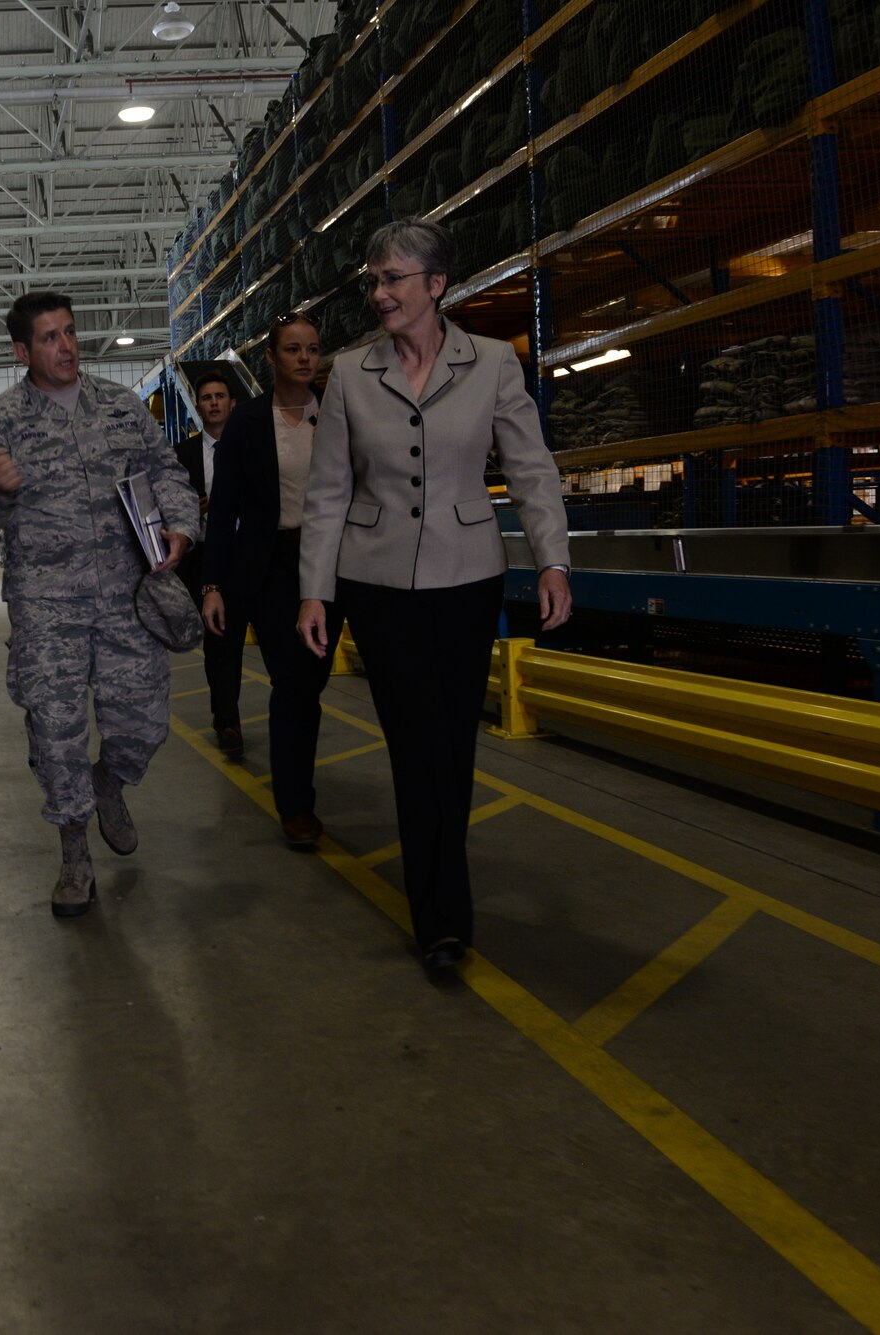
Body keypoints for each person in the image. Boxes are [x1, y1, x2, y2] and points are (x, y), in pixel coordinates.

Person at [297, 219, 572, 985]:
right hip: (377, 587)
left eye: (393, 279)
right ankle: (442, 919)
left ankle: (443, 890)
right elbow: (327, 495)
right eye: (373, 281)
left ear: (436, 285)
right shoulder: (350, 375)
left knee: (454, 748)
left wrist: (553, 560)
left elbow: (531, 468)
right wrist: (314, 592)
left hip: (467, 581)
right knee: (416, 747)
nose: (379, 293)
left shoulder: (491, 364)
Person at [0, 292, 199, 918]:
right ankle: (73, 854)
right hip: (47, 610)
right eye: (49, 338)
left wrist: (180, 525)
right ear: (22, 352)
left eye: (70, 333)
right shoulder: (1, 422)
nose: (66, 347)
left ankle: (110, 784)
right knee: (58, 732)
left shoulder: (121, 407)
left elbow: (168, 471)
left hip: (128, 599)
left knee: (143, 723)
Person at [203, 315, 345, 847]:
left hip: (331, 564)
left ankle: (296, 788)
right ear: (271, 358)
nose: (305, 358)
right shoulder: (247, 423)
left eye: (312, 348)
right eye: (292, 349)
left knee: (311, 680)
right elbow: (223, 511)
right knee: (293, 682)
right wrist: (213, 583)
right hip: (272, 570)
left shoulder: (336, 413)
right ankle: (296, 805)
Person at [175, 369, 244, 758]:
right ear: (198, 406)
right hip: (203, 557)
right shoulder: (183, 455)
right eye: (207, 397)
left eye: (220, 396)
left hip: (246, 554)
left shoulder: (250, 447)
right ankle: (227, 719)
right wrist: (189, 508)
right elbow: (166, 503)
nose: (214, 402)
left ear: (232, 403)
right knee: (219, 641)